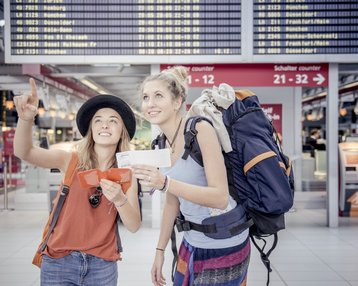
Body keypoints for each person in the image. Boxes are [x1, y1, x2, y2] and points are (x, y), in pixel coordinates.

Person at [13, 78, 141, 286]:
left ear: (122, 132)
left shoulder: (126, 174)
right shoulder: (70, 160)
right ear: (91, 129)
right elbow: (24, 152)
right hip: (59, 261)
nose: (105, 124)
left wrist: (119, 199)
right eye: (98, 120)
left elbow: (134, 225)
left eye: (113, 120)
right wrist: (26, 119)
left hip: (103, 265)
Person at [132, 66, 250, 286]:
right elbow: (171, 201)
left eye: (158, 96)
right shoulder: (159, 144)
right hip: (191, 239)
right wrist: (160, 250)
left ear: (177, 102)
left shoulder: (200, 130)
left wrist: (165, 182)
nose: (150, 103)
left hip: (224, 240)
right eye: (146, 97)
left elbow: (220, 196)